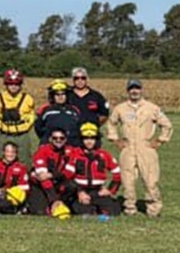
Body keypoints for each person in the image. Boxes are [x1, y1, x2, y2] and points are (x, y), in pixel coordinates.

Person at [107, 80, 173, 217]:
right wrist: (115, 140)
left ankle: (153, 208)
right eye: (131, 88)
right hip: (128, 148)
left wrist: (160, 140)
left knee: (150, 179)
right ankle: (129, 207)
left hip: (146, 148)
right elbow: (111, 123)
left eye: (137, 88)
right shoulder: (120, 109)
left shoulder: (152, 108)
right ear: (127, 91)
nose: (134, 91)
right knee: (127, 180)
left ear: (141, 90)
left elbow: (167, 125)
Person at [65, 123, 122, 217]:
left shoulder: (104, 155)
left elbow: (117, 173)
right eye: (86, 138)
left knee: (113, 211)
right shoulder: (75, 155)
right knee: (84, 211)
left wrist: (110, 190)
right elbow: (67, 177)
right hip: (80, 191)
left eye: (92, 138)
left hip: (98, 191)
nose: (89, 142)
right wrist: (79, 192)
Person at [28, 127, 80, 218]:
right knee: (40, 212)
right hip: (40, 186)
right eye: (55, 138)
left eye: (61, 138)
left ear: (66, 140)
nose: (58, 140)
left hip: (59, 183)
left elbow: (69, 173)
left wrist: (51, 175)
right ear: (50, 139)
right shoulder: (42, 151)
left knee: (72, 185)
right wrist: (54, 200)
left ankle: (61, 204)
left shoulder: (71, 151)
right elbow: (42, 178)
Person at [0, 69, 35, 146]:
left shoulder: (28, 99)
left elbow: (31, 116)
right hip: (4, 134)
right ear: (6, 84)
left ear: (20, 84)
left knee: (24, 153)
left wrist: (23, 126)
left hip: (22, 135)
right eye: (10, 84)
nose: (13, 86)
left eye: (16, 84)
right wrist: (2, 126)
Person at [36, 81, 83, 146]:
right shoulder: (46, 110)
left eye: (63, 94)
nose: (60, 97)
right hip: (50, 145)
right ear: (52, 96)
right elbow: (38, 127)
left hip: (71, 145)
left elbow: (79, 128)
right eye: (57, 94)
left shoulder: (74, 111)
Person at [0, 142, 31, 214]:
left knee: (3, 205)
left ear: (16, 153)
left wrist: (7, 191)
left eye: (13, 152)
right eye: (8, 151)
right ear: (3, 152)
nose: (10, 154)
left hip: (11, 195)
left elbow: (25, 187)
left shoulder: (21, 168)